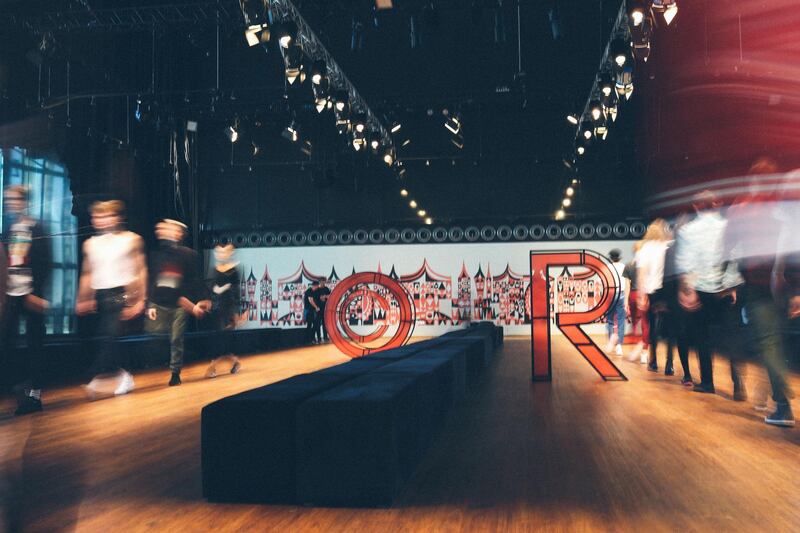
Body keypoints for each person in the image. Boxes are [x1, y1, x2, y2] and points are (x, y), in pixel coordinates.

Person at [727, 158, 794, 425]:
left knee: (767, 343)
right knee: (775, 342)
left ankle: (783, 404)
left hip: (759, 286)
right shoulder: (782, 207)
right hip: (786, 285)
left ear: (752, 180)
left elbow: (732, 246)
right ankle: (767, 396)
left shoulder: (743, 208)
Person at [675, 191, 745, 397]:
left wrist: (687, 290)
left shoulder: (688, 230)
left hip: (702, 289)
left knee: (702, 337)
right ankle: (738, 384)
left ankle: (707, 383)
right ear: (717, 204)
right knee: (732, 335)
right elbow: (735, 257)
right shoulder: (727, 227)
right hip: (725, 288)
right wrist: (731, 287)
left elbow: (685, 264)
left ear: (696, 207)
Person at [76, 200, 147, 399]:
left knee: (110, 334)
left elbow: (141, 270)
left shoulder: (131, 239)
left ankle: (96, 375)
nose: (102, 221)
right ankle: (123, 374)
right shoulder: (90, 244)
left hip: (123, 292)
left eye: (106, 216)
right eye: (97, 217)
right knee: (106, 336)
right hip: (102, 294)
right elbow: (87, 273)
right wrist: (83, 298)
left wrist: (140, 299)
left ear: (117, 218)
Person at [1, 185, 51, 415]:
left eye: (14, 199)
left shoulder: (37, 227)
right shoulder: (9, 228)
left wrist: (37, 294)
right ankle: (17, 386)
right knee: (7, 340)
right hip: (11, 294)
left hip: (30, 294)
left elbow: (44, 263)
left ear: (25, 201)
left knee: (35, 344)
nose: (10, 203)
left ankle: (35, 395)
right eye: (7, 199)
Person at [145, 219, 211, 386]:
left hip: (180, 303)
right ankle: (164, 365)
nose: (164, 231)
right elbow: (153, 280)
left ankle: (175, 372)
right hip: (160, 302)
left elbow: (195, 280)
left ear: (178, 233)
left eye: (169, 229)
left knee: (176, 338)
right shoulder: (155, 255)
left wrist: (202, 298)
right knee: (156, 335)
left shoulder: (189, 255)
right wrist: (150, 304)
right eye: (162, 229)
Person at [635, 220, 672, 372]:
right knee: (670, 327)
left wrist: (641, 294)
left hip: (651, 291)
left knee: (650, 325)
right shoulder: (666, 247)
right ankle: (669, 364)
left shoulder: (644, 250)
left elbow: (642, 274)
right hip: (667, 290)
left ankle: (653, 360)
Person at [205, 243, 243, 378]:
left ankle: (213, 366)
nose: (221, 255)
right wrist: (217, 290)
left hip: (228, 307)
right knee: (219, 337)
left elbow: (236, 291)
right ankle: (234, 362)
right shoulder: (215, 269)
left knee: (223, 337)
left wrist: (237, 312)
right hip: (216, 307)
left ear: (229, 254)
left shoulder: (234, 270)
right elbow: (212, 287)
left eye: (224, 253)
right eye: (218, 253)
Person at [603, 249, 629, 357]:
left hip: (611, 294)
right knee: (621, 321)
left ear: (610, 258)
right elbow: (628, 283)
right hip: (622, 294)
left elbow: (604, 283)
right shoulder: (624, 267)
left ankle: (611, 342)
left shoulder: (607, 268)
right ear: (620, 257)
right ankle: (619, 346)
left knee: (609, 320)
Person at [624, 242, 646, 360]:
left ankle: (637, 348)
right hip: (643, 294)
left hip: (632, 295)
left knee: (635, 324)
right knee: (645, 323)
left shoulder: (628, 265)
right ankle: (643, 351)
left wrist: (626, 302)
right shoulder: (646, 265)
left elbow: (627, 285)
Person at [313, 278, 331, 343]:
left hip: (325, 309)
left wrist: (325, 296)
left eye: (324, 281)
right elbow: (314, 299)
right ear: (320, 282)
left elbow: (330, 296)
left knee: (325, 324)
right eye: (321, 281)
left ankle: (325, 337)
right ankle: (319, 338)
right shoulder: (316, 290)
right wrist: (316, 307)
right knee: (317, 324)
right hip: (318, 309)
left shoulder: (326, 289)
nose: (323, 283)